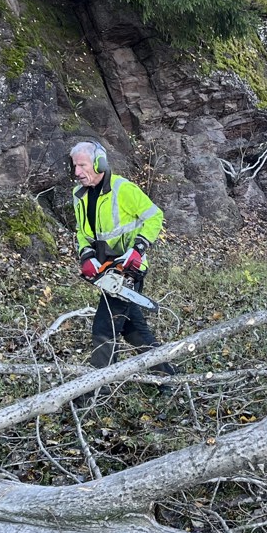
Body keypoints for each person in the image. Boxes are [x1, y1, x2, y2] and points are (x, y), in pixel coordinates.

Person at [69, 140, 174, 377]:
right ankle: (167, 377)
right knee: (132, 328)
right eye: (75, 166)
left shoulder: (122, 189)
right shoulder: (79, 195)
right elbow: (82, 232)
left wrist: (138, 248)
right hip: (104, 270)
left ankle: (96, 391)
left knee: (104, 328)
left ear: (99, 163)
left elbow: (155, 216)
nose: (77, 172)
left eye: (83, 165)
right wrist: (86, 255)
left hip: (127, 269)